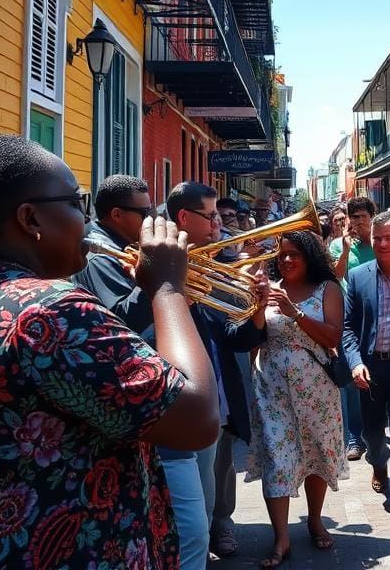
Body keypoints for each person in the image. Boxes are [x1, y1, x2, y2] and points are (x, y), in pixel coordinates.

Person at [0, 135, 220, 567]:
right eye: (75, 204)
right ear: (30, 218)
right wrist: (167, 288)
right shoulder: (50, 309)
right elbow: (198, 419)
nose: (86, 221)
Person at [166, 182, 269, 561]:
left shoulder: (219, 269)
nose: (218, 226)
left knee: (211, 484)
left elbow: (235, 337)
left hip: (215, 397)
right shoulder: (157, 267)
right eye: (210, 217)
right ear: (183, 218)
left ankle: (214, 530)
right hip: (175, 402)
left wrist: (258, 309)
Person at [245, 231, 348, 568]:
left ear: (310, 257)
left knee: (316, 454)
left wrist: (295, 313)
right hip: (272, 389)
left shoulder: (328, 289)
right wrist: (257, 305)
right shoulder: (269, 288)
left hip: (316, 389)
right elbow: (254, 337)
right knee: (277, 458)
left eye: (295, 254)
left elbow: (333, 337)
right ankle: (281, 538)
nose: (287, 260)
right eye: (282, 255)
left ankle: (315, 520)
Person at [341, 211, 390, 526]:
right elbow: (347, 328)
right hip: (370, 368)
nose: (382, 244)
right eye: (377, 238)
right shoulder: (358, 276)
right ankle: (377, 465)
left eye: (389, 238)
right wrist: (355, 363)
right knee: (372, 433)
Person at [71, 174, 155, 334]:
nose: (150, 220)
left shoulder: (124, 246)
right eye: (144, 213)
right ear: (116, 215)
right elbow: (123, 321)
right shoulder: (100, 256)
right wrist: (156, 279)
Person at [330, 197, 376, 461]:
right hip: (349, 319)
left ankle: (373, 432)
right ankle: (353, 437)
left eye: (363, 217)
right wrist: (346, 250)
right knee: (350, 380)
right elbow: (338, 275)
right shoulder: (338, 245)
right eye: (354, 217)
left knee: (372, 375)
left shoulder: (379, 242)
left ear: (371, 217)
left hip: (377, 319)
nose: (358, 222)